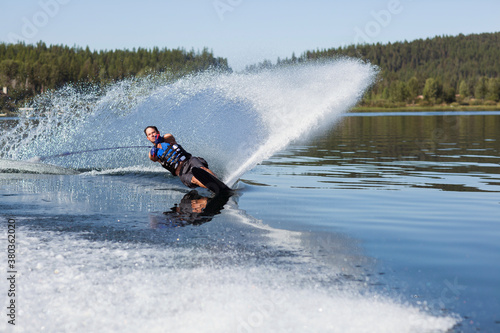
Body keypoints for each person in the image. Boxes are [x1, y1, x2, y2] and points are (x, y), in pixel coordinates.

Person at [144, 126, 230, 193]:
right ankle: (215, 189)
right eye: (149, 134)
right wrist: (154, 150)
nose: (152, 135)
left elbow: (169, 137)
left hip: (190, 161)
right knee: (195, 179)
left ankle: (220, 183)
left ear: (158, 132)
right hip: (182, 173)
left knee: (202, 169)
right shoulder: (152, 153)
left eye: (153, 132)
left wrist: (161, 140)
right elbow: (153, 158)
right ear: (148, 138)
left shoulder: (167, 137)